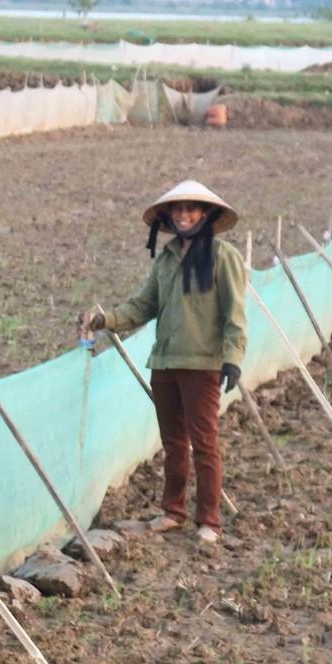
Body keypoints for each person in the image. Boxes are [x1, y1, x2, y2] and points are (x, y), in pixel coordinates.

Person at [81, 181, 247, 545]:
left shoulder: (223, 257)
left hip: (202, 365)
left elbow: (235, 315)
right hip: (165, 364)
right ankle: (173, 511)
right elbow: (143, 306)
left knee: (204, 443)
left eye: (192, 209)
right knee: (173, 442)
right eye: (178, 210)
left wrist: (232, 359)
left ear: (206, 215)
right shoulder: (167, 260)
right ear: (169, 218)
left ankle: (209, 521)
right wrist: (104, 320)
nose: (184, 216)